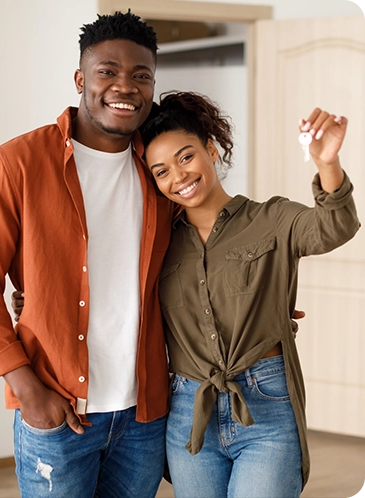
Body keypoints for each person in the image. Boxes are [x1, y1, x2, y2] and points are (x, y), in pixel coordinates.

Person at [0, 11, 174, 498]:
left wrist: (256, 303)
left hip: (143, 414)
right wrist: (26, 388)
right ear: (81, 79)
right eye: (108, 71)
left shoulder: (159, 172)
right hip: (56, 409)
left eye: (141, 75)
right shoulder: (17, 163)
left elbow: (198, 257)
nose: (125, 86)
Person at [137, 92, 359, 497]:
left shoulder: (271, 218)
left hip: (266, 406)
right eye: (161, 171)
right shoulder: (156, 242)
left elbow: (335, 226)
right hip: (189, 410)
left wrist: (327, 163)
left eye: (186, 157)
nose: (178, 177)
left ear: (211, 149)